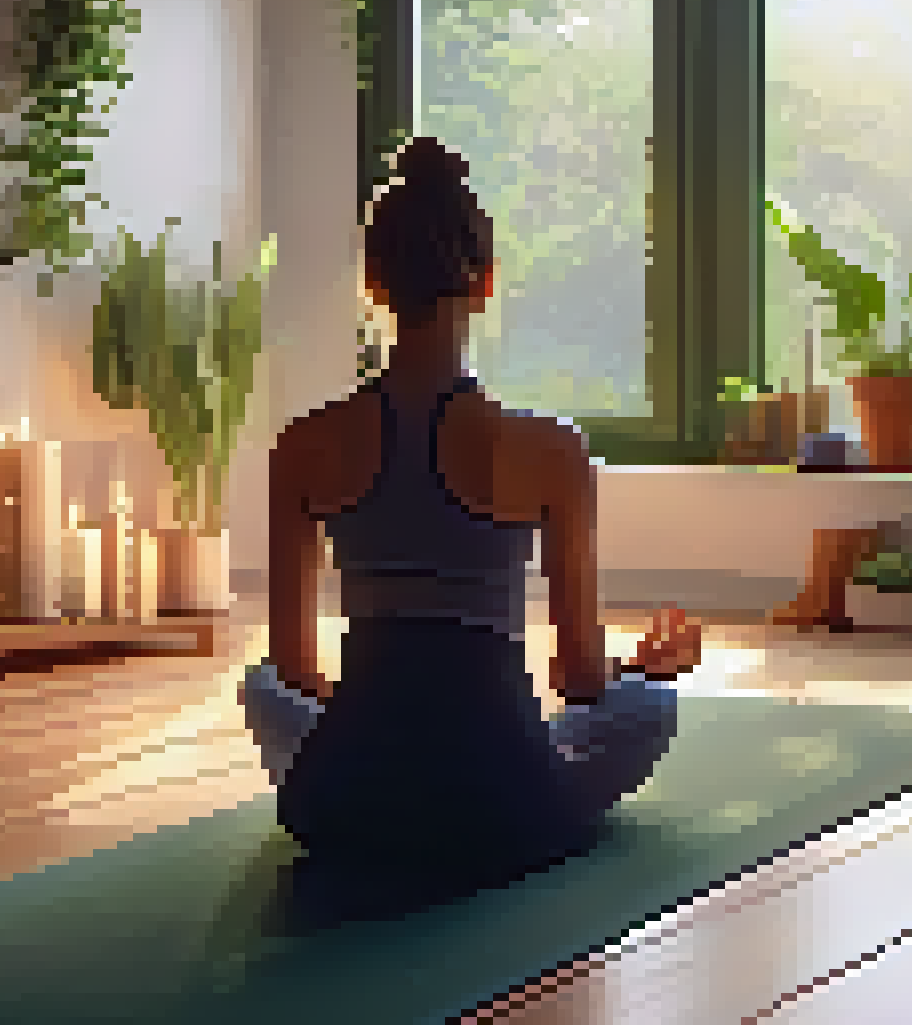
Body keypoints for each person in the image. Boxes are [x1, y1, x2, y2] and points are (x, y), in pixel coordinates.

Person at [240, 136, 682, 893]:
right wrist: (639, 669)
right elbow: (579, 681)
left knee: (258, 687)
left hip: (342, 805)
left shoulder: (303, 445)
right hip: (506, 811)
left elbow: (293, 669)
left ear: (373, 283)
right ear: (485, 283)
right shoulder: (552, 449)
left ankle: (378, 759)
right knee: (649, 708)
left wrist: (381, 721)